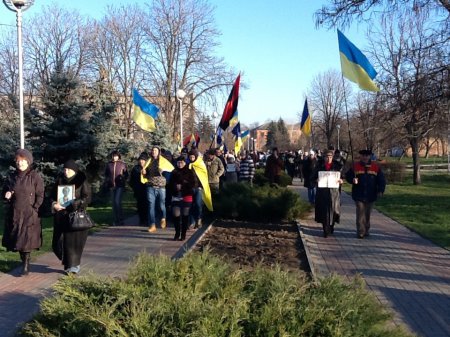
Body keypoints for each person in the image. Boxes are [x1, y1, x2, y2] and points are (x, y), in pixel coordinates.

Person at [2, 149, 44, 276]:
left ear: (28, 161)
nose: (20, 164)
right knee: (18, 240)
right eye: (18, 161)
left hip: (29, 213)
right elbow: (5, 192)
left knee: (26, 240)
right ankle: (24, 261)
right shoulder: (12, 177)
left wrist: (35, 208)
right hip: (15, 213)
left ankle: (25, 265)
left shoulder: (34, 176)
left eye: (23, 161)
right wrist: (7, 195)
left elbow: (40, 194)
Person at [52, 159, 92, 274]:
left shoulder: (81, 181)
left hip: (75, 217)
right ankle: (68, 263)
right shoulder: (59, 181)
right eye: (65, 169)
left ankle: (73, 266)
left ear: (74, 171)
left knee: (73, 243)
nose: (66, 171)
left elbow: (87, 198)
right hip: (61, 216)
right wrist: (54, 204)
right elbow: (52, 196)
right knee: (57, 243)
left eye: (69, 169)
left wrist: (77, 203)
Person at [345, 149, 386, 239]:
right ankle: (361, 231)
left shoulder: (375, 167)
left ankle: (366, 229)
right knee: (360, 212)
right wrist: (352, 179)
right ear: (361, 156)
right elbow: (347, 176)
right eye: (363, 155)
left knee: (367, 214)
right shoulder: (355, 166)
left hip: (371, 194)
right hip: (358, 194)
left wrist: (380, 190)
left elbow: (381, 180)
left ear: (369, 156)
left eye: (367, 156)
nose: (365, 157)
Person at [313, 150, 344, 237]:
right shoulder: (319, 166)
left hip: (333, 192)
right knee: (324, 211)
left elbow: (343, 177)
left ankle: (331, 225)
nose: (328, 158)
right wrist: (316, 180)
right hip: (323, 192)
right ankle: (325, 229)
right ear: (324, 157)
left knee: (333, 210)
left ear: (332, 157)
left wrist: (341, 180)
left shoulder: (337, 166)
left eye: (330, 157)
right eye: (327, 157)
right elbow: (312, 177)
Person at [168, 155, 195, 240]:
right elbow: (169, 184)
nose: (180, 164)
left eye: (181, 162)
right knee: (176, 214)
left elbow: (193, 184)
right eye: (178, 162)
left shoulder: (189, 172)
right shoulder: (174, 172)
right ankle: (177, 232)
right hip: (176, 195)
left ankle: (183, 234)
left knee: (185, 215)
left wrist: (183, 185)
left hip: (187, 195)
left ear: (185, 163)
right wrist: (175, 186)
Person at [142, 146, 167, 233]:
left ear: (159, 152)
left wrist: (163, 171)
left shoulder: (163, 161)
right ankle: (152, 225)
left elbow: (169, 171)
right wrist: (144, 173)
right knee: (150, 205)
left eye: (155, 150)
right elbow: (145, 173)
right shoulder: (149, 161)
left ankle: (163, 218)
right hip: (150, 186)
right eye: (152, 150)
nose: (153, 151)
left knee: (161, 205)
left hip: (161, 187)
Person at [104, 150, 128, 226]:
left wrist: (123, 178)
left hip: (119, 186)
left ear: (119, 156)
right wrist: (107, 181)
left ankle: (121, 219)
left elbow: (126, 174)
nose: (115, 157)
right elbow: (106, 174)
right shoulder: (109, 164)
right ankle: (116, 220)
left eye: (116, 156)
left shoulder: (122, 164)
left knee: (117, 202)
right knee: (114, 204)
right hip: (111, 186)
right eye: (114, 156)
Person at [129, 152, 149, 226]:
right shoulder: (135, 168)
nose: (141, 161)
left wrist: (145, 174)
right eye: (140, 160)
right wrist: (134, 187)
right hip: (138, 190)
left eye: (143, 160)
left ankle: (147, 220)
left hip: (147, 189)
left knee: (147, 205)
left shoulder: (148, 168)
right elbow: (132, 180)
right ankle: (141, 220)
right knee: (140, 205)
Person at [188, 148, 204, 228]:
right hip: (190, 189)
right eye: (190, 157)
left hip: (198, 188)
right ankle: (192, 222)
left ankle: (199, 219)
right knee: (190, 205)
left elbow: (203, 177)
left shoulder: (200, 165)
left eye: (193, 157)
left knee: (198, 204)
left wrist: (201, 186)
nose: (192, 159)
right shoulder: (188, 166)